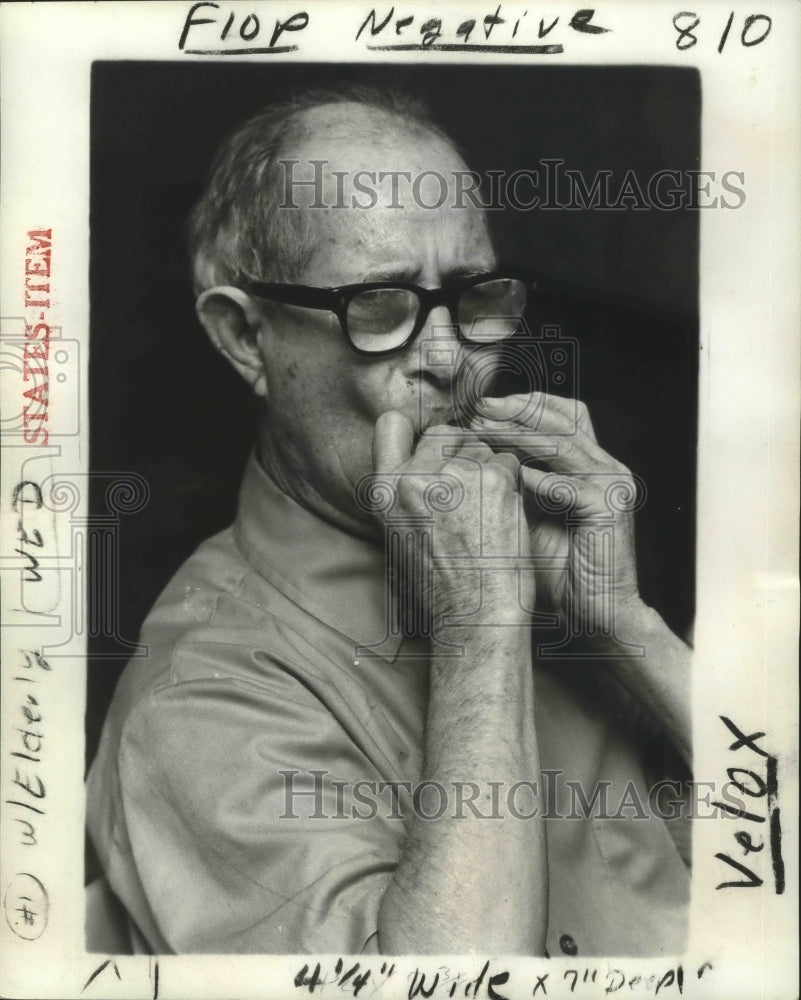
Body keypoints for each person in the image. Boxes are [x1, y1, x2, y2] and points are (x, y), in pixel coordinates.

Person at [86, 86, 692, 956]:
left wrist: (628, 628)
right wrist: (480, 629)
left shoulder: (545, 572)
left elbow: (758, 876)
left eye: (474, 293)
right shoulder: (198, 703)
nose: (451, 359)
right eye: (379, 304)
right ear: (244, 339)